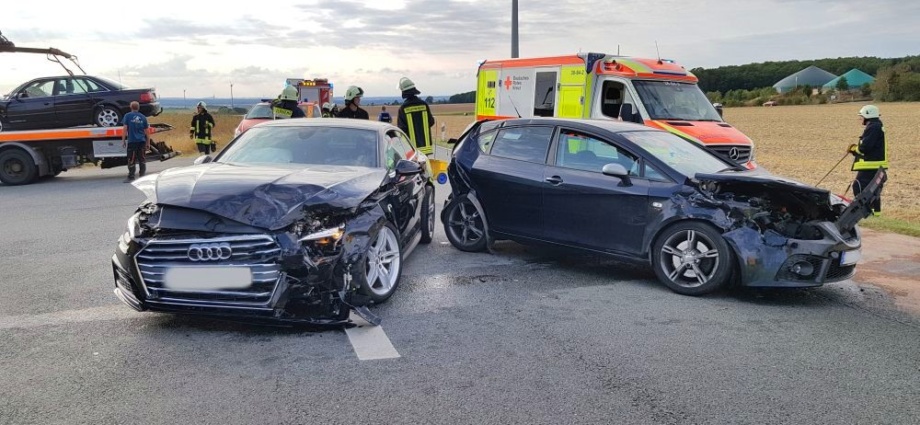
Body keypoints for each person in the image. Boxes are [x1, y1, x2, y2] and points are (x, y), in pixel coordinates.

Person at [847, 104, 888, 216]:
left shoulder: (873, 127)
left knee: (859, 187)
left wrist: (854, 149)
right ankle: (875, 214)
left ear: (868, 115)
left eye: (862, 116)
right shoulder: (877, 126)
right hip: (874, 165)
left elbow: (865, 147)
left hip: (870, 165)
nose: (861, 119)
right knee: (873, 190)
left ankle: (864, 213)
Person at [396, 77, 435, 155]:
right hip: (426, 148)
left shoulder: (403, 108)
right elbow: (431, 122)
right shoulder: (424, 105)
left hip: (411, 149)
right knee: (425, 167)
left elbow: (401, 130)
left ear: (403, 92)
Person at [121, 101, 150, 183]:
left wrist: (123, 140)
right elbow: (147, 132)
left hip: (132, 141)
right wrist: (148, 143)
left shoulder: (127, 116)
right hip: (142, 141)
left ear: (131, 107)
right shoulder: (143, 117)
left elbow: (125, 129)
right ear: (138, 108)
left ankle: (131, 176)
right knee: (142, 159)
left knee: (131, 159)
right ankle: (142, 176)